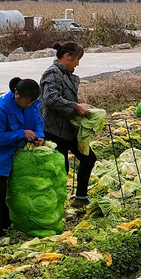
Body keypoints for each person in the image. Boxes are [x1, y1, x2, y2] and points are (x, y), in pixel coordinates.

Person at [0, 78, 45, 242]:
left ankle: (6, 226)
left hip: (13, 152)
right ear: (17, 94)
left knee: (11, 191)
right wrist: (21, 134)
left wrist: (39, 136)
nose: (30, 104)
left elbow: (37, 123)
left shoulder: (31, 104)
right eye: (28, 101)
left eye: (32, 101)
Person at [40, 42, 97, 205]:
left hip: (69, 127)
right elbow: (50, 99)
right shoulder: (52, 73)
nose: (77, 64)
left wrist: (80, 105)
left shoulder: (65, 73)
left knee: (88, 158)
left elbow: (64, 97)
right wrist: (75, 107)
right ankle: (55, 204)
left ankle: (80, 198)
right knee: (61, 167)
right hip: (54, 128)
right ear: (67, 56)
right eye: (77, 59)